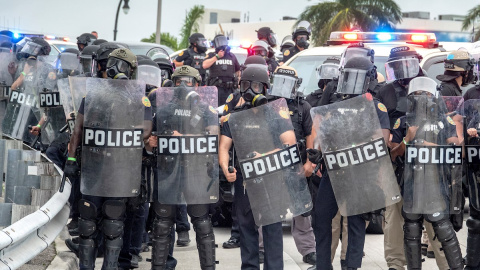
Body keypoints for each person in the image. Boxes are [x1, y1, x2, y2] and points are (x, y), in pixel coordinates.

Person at [63, 48, 153, 270]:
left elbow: (146, 131)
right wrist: (71, 160)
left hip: (121, 169)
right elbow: (78, 131)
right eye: (113, 63)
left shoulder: (139, 97)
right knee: (87, 223)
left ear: (131, 72)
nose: (115, 69)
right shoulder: (93, 95)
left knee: (114, 224)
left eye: (122, 65)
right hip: (94, 167)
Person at [308, 56, 393, 270]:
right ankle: (322, 265)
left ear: (369, 79)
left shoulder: (376, 106)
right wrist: (318, 151)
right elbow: (322, 133)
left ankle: (351, 266)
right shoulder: (335, 104)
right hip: (333, 171)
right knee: (321, 219)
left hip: (360, 173)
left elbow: (381, 141)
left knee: (355, 224)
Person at [144, 65, 218, 270]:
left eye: (188, 81)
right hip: (169, 170)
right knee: (162, 223)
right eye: (178, 81)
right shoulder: (164, 110)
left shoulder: (206, 110)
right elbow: (151, 139)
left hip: (196, 172)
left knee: (202, 222)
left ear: (197, 84)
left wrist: (182, 138)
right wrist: (151, 143)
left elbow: (213, 138)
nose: (183, 86)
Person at [389, 77, 463, 270]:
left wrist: (430, 146)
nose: (422, 97)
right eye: (417, 94)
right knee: (411, 229)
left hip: (435, 181)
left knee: (443, 227)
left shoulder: (442, 120)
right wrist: (407, 139)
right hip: (410, 182)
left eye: (426, 94)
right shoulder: (403, 121)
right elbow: (393, 153)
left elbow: (455, 147)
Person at [219, 66, 289, 269]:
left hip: (271, 176)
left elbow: (288, 145)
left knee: (272, 227)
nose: (250, 90)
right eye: (245, 85)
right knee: (246, 227)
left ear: (265, 88)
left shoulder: (275, 114)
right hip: (244, 179)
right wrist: (225, 168)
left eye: (255, 85)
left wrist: (265, 156)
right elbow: (224, 147)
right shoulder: (234, 116)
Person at [261, 66, 316, 265]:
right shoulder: (264, 103)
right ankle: (261, 247)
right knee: (266, 207)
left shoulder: (303, 106)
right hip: (269, 163)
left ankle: (309, 250)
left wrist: (310, 162)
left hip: (295, 163)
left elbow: (310, 134)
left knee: (301, 209)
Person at [203, 34, 240, 106]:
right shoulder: (211, 55)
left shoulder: (232, 56)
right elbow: (204, 65)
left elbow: (238, 71)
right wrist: (217, 56)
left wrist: (238, 81)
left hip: (230, 90)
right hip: (216, 90)